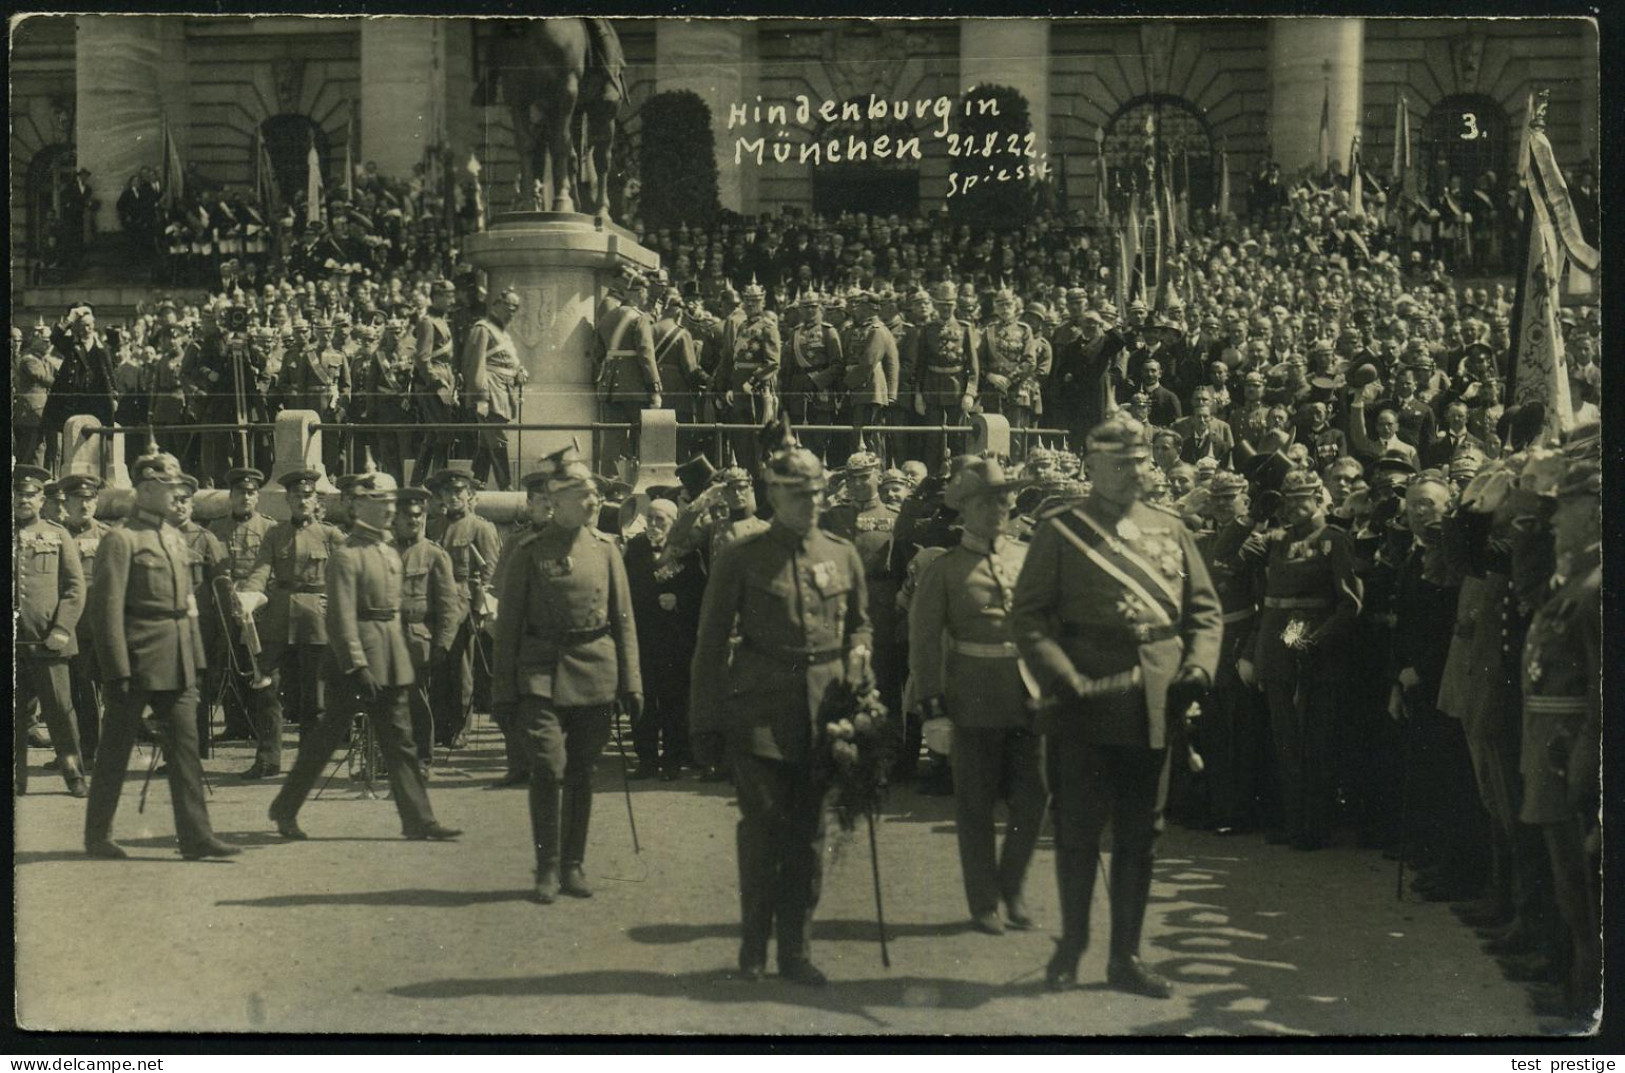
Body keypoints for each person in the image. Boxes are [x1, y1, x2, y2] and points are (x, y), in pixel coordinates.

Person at [1010, 414, 1222, 998]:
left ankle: (1124, 956)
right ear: (1091, 465)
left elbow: (1203, 611)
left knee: (1141, 833)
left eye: (1140, 460)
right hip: (1084, 696)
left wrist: (1198, 665)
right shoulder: (1061, 530)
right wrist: (1061, 675)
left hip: (1155, 698)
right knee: (1078, 830)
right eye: (1119, 462)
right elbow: (1027, 615)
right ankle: (1073, 941)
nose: (1133, 471)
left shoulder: (1170, 528)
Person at [688, 430, 872, 985]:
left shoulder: (841, 554)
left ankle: (796, 949)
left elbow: (860, 624)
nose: (810, 502)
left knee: (809, 832)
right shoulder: (743, 557)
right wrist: (705, 722)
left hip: (823, 711)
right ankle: (753, 946)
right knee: (764, 827)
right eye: (798, 494)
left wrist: (861, 661)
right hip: (760, 709)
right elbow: (710, 642)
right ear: (772, 496)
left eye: (816, 492)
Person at [267, 472, 461, 842]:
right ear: (361, 506)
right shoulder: (347, 554)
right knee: (324, 742)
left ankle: (419, 819)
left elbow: (393, 613)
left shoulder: (387, 551)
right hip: (353, 667)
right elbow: (340, 615)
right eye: (382, 503)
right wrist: (357, 664)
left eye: (392, 504)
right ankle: (285, 808)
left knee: (401, 742)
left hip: (390, 660)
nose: (391, 510)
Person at [491, 445, 642, 904]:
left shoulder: (607, 550)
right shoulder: (528, 551)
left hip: (596, 669)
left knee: (582, 772)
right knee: (547, 767)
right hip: (541, 671)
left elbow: (624, 620)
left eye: (594, 493)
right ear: (557, 501)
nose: (594, 502)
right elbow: (509, 625)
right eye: (583, 494)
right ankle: (547, 866)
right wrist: (502, 691)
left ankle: (573, 864)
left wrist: (632, 682)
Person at [908, 456, 1047, 934]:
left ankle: (1012, 885)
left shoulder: (1028, 557)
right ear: (965, 508)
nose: (998, 509)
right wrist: (932, 710)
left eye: (1004, 500)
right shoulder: (943, 569)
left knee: (1036, 795)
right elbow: (925, 645)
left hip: (1029, 696)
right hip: (972, 698)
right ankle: (983, 901)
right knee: (975, 804)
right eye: (987, 502)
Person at [83, 452, 237, 860]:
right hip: (136, 659)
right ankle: (98, 835)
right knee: (115, 750)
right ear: (147, 489)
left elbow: (188, 604)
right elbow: (106, 609)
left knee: (186, 748)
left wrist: (196, 659)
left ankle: (196, 836)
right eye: (170, 489)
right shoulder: (121, 539)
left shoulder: (173, 537)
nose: (178, 496)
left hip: (177, 656)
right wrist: (116, 669)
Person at [1253, 468, 1361, 851]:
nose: (1294, 506)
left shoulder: (1334, 540)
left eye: (1302, 498)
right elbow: (1268, 601)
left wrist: (1316, 641)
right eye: (1289, 499)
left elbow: (1350, 604)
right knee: (1285, 740)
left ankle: (1314, 825)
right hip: (1278, 649)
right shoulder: (1278, 541)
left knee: (1315, 742)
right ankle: (1294, 821)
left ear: (1319, 499)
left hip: (1315, 653)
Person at [237, 469, 347, 778]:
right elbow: (261, 569)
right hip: (277, 620)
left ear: (315, 500)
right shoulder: (275, 534)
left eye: (307, 495)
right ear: (288, 499)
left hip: (316, 621)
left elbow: (346, 577)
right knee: (267, 688)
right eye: (296, 496)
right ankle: (268, 759)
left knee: (314, 696)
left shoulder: (331, 536)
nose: (302, 500)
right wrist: (251, 594)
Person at [14, 465, 89, 797]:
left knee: (59, 710)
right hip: (14, 644)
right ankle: (17, 778)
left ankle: (73, 773)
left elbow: (75, 589)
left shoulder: (58, 535)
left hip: (49, 642)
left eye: (30, 495)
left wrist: (61, 628)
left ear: (41, 498)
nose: (23, 500)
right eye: (18, 494)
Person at [624, 497, 706, 779]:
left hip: (674, 641)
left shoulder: (687, 552)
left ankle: (672, 760)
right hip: (643, 637)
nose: (655, 524)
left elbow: (699, 593)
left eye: (661, 519)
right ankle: (646, 759)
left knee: (673, 702)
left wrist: (679, 600)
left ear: (673, 523)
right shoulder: (634, 549)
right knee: (643, 701)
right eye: (651, 518)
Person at [424, 465, 501, 752]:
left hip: (463, 604)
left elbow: (491, 575)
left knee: (461, 669)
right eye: (447, 491)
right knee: (438, 667)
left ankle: (459, 729)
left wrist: (482, 611)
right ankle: (439, 726)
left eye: (459, 491)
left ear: (469, 494)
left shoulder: (481, 528)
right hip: (434, 604)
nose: (453, 496)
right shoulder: (433, 526)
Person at [392, 487, 460, 777]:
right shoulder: (383, 551)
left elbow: (448, 606)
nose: (414, 521)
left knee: (416, 702)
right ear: (395, 517)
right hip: (384, 638)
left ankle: (422, 759)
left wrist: (443, 644)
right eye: (408, 515)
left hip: (417, 640)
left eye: (419, 516)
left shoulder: (434, 555)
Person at [206, 468, 276, 743]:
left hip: (258, 607)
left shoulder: (269, 528)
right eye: (240, 493)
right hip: (226, 608)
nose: (245, 497)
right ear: (231, 496)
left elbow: (270, 569)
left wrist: (253, 596)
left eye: (250, 493)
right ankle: (236, 724)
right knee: (229, 662)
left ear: (257, 497)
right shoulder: (216, 528)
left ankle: (260, 725)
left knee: (257, 662)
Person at [58, 474, 111, 768]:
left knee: (89, 689)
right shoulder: (55, 534)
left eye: (90, 499)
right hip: (63, 624)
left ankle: (91, 751)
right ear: (66, 502)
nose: (85, 504)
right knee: (64, 692)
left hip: (94, 626)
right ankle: (69, 750)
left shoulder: (107, 535)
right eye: (78, 499)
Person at [463, 287, 528, 490]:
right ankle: (506, 486)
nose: (512, 312)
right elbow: (475, 364)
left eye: (515, 308)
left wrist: (519, 372)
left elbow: (504, 363)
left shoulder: (502, 333)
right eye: (509, 306)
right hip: (490, 392)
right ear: (496, 305)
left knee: (487, 443)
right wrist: (481, 397)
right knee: (498, 439)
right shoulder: (482, 328)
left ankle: (475, 486)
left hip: (502, 391)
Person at [595, 273, 661, 469]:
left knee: (612, 439)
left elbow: (598, 353)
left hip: (609, 388)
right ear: (639, 292)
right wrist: (654, 386)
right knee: (641, 438)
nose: (646, 297)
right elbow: (646, 353)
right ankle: (639, 480)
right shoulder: (640, 319)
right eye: (645, 293)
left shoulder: (607, 318)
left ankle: (609, 480)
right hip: (635, 388)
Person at [412, 279, 461, 480]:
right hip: (433, 386)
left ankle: (419, 481)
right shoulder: (427, 322)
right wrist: (438, 386)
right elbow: (423, 359)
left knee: (434, 435)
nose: (452, 300)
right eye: (448, 296)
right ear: (437, 296)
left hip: (445, 382)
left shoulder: (443, 321)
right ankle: (439, 480)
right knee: (444, 433)